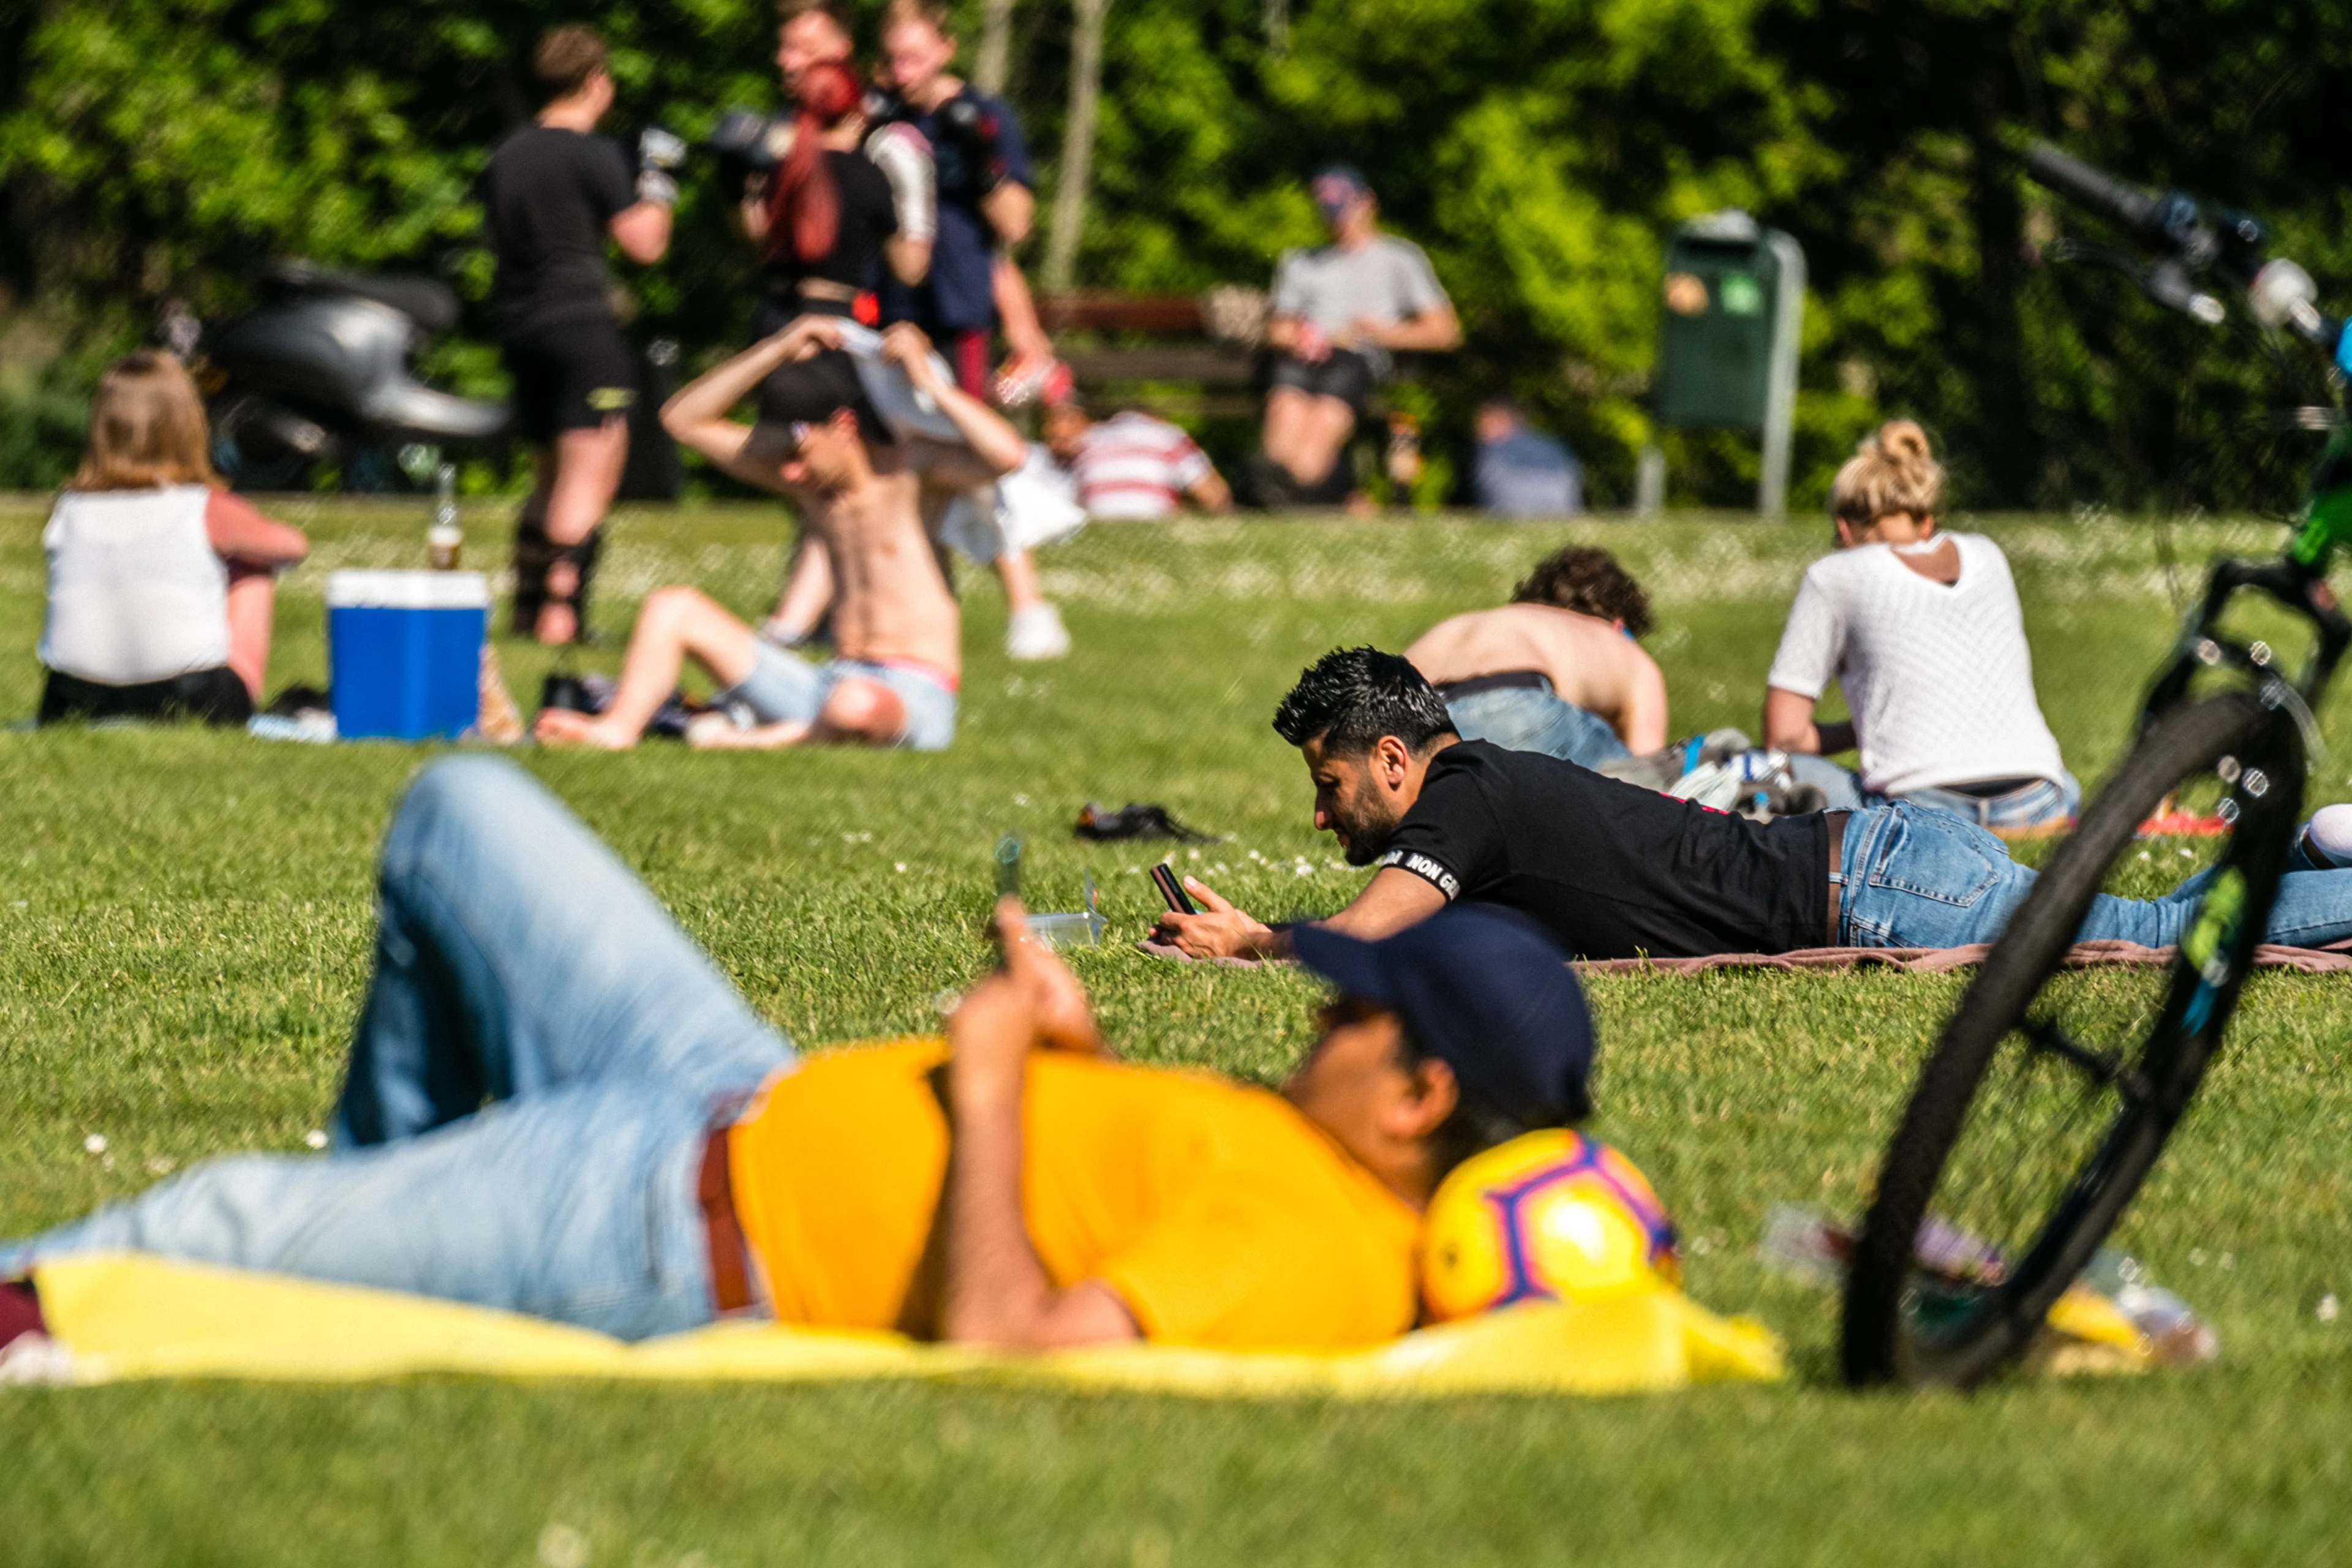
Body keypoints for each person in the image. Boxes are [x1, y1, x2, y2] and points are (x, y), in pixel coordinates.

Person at [0, 756, 1592, 1355]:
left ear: (1421, 1097)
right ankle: (377, 1208)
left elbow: (1011, 1351)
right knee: (462, 812)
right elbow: (1088, 1189)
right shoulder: (1309, 1157)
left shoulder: (1322, 1246)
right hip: (731, 1077)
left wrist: (983, 1081)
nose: (1313, 1015)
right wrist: (1072, 1051)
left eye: (1345, 1013)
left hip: (672, 1220)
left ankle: (323, 1248)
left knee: (198, 1230)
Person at [1150, 647, 2352, 963]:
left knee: (2142, 937)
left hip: (1877, 890)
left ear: (1396, 761)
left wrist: (1255, 937)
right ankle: (2316, 848)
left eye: (1331, 784)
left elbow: (1368, 939)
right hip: (1889, 848)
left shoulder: (1462, 799)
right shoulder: (1487, 794)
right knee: (2159, 907)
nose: (1324, 815)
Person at [537, 316, 1022, 751]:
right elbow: (681, 421)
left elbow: (1008, 456)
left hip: (910, 692)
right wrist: (777, 347)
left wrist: (928, 383)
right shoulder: (811, 482)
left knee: (853, 706)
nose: (789, 475)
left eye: (799, 453)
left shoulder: (912, 473)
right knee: (673, 607)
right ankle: (618, 729)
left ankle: (768, 739)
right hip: (827, 682)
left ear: (844, 426)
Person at [1762, 421, 2077, 832]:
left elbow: (1783, 736)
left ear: (1843, 527)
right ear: (1927, 523)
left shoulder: (1835, 574)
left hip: (1923, 805)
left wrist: (1866, 730)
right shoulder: (1988, 554)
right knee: (2065, 781)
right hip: (2038, 796)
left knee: (1776, 769)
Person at [873, 0, 1069, 660]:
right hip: (890, 311)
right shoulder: (883, 116)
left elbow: (1015, 227)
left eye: (914, 56)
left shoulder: (984, 116)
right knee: (898, 464)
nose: (902, 71)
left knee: (975, 459)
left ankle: (1029, 604)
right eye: (892, 57)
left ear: (945, 46)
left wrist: (979, 160)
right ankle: (923, 604)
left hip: (958, 310)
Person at [483, 24, 676, 646]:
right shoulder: (592, 154)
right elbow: (644, 244)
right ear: (597, 82)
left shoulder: (507, 155)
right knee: (590, 470)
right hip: (583, 329)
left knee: (547, 474)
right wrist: (661, 178)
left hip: (520, 327)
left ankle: (527, 606)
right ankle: (561, 617)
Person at [36, 352, 309, 727]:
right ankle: (242, 705)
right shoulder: (204, 507)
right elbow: (294, 548)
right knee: (253, 567)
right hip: (189, 698)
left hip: (70, 700)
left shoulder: (66, 509)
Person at [1254, 166, 1460, 507]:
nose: (1338, 220)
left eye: (1344, 209)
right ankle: (1283, 493)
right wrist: (1303, 335)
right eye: (1329, 212)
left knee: (1324, 419)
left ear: (1367, 202)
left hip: (1361, 356)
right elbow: (1278, 327)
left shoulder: (1400, 259)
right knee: (1285, 409)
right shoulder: (1301, 261)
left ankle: (1292, 496)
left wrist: (1383, 333)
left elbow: (1445, 332)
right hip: (1307, 352)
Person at [1405, 546, 1667, 768]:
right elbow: (1649, 769)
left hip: (1409, 714)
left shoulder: (1507, 621)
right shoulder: (1621, 646)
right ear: (1620, 623)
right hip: (1516, 705)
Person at [738, 60, 932, 332]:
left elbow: (759, 239)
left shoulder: (783, 168)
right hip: (836, 328)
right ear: (856, 112)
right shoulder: (869, 176)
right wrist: (915, 190)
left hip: (776, 320)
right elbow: (910, 270)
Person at [1042, 400, 1233, 519]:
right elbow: (1214, 497)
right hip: (1155, 520)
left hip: (1098, 521)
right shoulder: (1167, 435)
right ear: (1156, 418)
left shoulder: (1090, 440)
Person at [1472, 399, 1582, 518]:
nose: (1477, 431)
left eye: (1483, 423)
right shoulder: (1555, 446)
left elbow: (1491, 495)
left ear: (1502, 419)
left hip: (1512, 518)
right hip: (1563, 516)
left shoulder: (1493, 451)